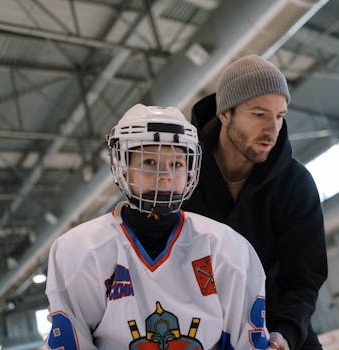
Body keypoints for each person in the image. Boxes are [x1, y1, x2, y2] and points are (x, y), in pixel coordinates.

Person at [44, 104, 273, 349]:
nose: (165, 175)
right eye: (150, 161)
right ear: (123, 167)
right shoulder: (80, 250)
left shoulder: (226, 248)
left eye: (176, 164)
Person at [183, 55, 328, 350]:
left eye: (279, 115)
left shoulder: (295, 184)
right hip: (200, 335)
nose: (272, 129)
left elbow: (303, 277)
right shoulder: (182, 177)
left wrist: (285, 333)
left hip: (278, 332)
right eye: (259, 114)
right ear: (225, 113)